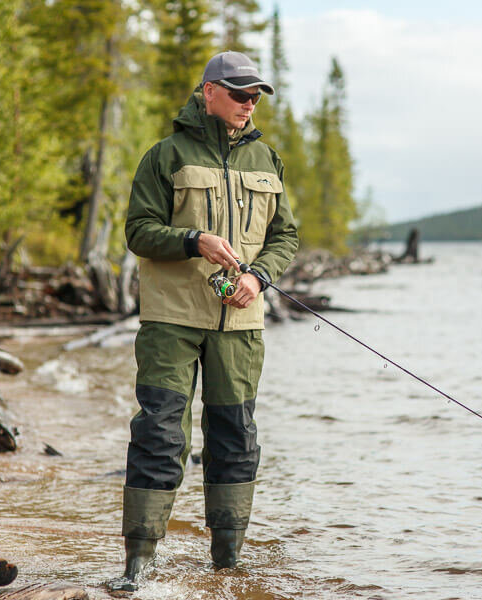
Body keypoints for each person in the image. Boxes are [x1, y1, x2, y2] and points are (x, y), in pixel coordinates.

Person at [107, 51, 298, 592]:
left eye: (256, 95)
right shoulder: (164, 155)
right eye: (240, 93)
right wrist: (193, 240)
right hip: (171, 319)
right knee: (160, 433)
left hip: (241, 323)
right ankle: (137, 566)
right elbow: (139, 230)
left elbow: (285, 236)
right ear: (209, 91)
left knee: (236, 437)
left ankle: (227, 567)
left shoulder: (268, 160)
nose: (249, 103)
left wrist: (258, 277)